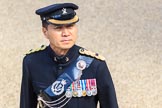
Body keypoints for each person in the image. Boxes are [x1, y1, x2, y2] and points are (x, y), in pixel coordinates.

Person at [20, 2, 118, 108]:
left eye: (70, 26)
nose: (66, 33)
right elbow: (26, 104)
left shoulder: (95, 65)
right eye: (58, 28)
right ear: (45, 32)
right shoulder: (32, 62)